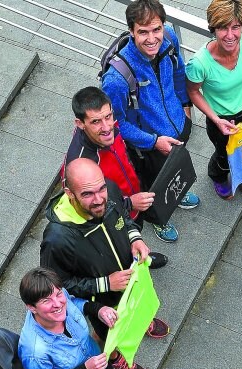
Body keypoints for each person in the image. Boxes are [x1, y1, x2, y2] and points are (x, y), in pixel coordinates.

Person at [40, 158, 170, 369]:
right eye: (88, 194)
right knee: (107, 332)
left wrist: (135, 238)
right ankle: (116, 358)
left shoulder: (108, 188)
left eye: (101, 189)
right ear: (69, 193)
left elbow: (124, 220)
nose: (99, 198)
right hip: (100, 300)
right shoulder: (57, 239)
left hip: (132, 280)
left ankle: (140, 323)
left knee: (137, 308)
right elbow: (57, 287)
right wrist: (105, 284)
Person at [101, 0, 200, 243]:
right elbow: (116, 125)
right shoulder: (117, 79)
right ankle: (158, 219)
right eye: (143, 32)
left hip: (177, 126)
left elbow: (178, 72)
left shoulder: (169, 40)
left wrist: (185, 108)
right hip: (147, 146)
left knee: (174, 172)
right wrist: (154, 142)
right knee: (152, 185)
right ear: (132, 31)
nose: (152, 38)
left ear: (163, 25)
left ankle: (177, 193)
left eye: (156, 29)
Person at [186, 0, 242, 200]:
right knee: (224, 155)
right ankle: (218, 176)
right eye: (222, 28)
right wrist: (216, 120)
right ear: (213, 28)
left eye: (235, 27)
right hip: (222, 118)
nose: (230, 35)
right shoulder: (199, 63)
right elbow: (193, 92)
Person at [18, 267, 131, 369]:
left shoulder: (60, 295)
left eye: (58, 294)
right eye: (46, 301)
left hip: (95, 358)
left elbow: (71, 303)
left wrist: (97, 309)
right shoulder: (34, 350)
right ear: (31, 307)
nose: (57, 303)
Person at [68, 86, 173, 252]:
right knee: (124, 247)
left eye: (108, 116)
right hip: (117, 217)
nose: (107, 127)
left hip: (134, 195)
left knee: (137, 235)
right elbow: (88, 207)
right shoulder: (81, 164)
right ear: (80, 124)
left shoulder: (110, 127)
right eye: (95, 121)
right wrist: (129, 204)